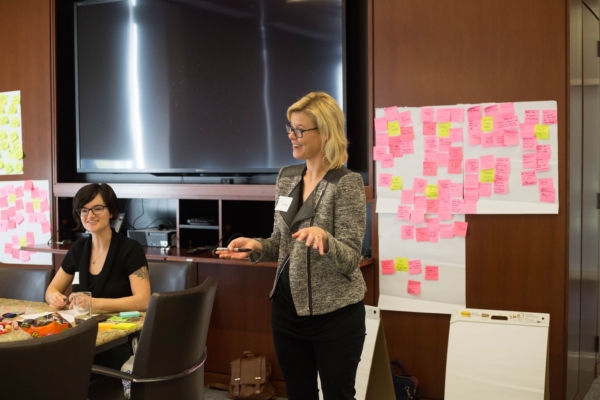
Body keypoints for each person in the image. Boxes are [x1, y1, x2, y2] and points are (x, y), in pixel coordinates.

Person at [217, 91, 367, 400]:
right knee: (299, 394)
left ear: (325, 132)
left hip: (335, 315)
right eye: (290, 128)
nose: (291, 136)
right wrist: (255, 246)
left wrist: (325, 239)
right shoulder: (287, 177)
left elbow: (351, 258)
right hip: (287, 312)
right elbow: (280, 244)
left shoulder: (346, 182)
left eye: (300, 129)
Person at [45, 183, 150, 369]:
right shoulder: (78, 249)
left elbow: (144, 301)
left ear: (111, 212)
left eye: (97, 208)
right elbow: (52, 289)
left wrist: (94, 303)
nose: (90, 215)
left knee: (61, 363)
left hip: (116, 340)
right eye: (84, 210)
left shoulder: (130, 249)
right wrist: (55, 297)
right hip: (81, 333)